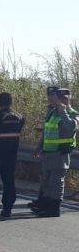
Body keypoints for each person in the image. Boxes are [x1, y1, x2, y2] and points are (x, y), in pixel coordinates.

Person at [30, 87, 78, 217]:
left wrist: (63, 112)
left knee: (56, 183)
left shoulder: (73, 113)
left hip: (60, 154)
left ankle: (54, 209)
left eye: (60, 98)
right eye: (56, 98)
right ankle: (44, 206)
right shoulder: (52, 112)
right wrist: (39, 147)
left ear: (66, 99)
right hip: (48, 153)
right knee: (47, 182)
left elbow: (71, 128)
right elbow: (47, 131)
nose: (56, 101)